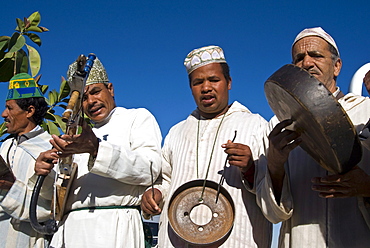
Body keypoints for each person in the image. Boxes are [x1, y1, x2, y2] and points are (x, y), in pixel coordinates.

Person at [141, 45, 272, 247]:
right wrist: (156, 193)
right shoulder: (177, 132)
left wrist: (250, 168)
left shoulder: (256, 126)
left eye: (214, 80)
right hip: (176, 240)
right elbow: (165, 179)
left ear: (228, 82)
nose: (206, 88)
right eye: (198, 82)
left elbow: (275, 190)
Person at [256, 27, 370, 247]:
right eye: (299, 58)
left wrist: (366, 187)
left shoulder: (366, 111)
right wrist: (276, 164)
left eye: (316, 55)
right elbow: (273, 214)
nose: (307, 63)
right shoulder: (277, 125)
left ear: (337, 66)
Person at [35, 56, 162, 248]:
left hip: (115, 229)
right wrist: (44, 174)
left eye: (95, 92)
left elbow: (150, 170)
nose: (91, 102)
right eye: (83, 98)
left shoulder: (137, 118)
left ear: (110, 89)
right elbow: (57, 198)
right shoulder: (76, 135)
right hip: (70, 231)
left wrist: (96, 149)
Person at [0, 73, 53, 248]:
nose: (3, 114)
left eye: (10, 108)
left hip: (29, 238)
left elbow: (51, 203)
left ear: (29, 111)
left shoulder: (50, 147)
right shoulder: (5, 146)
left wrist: (10, 187)